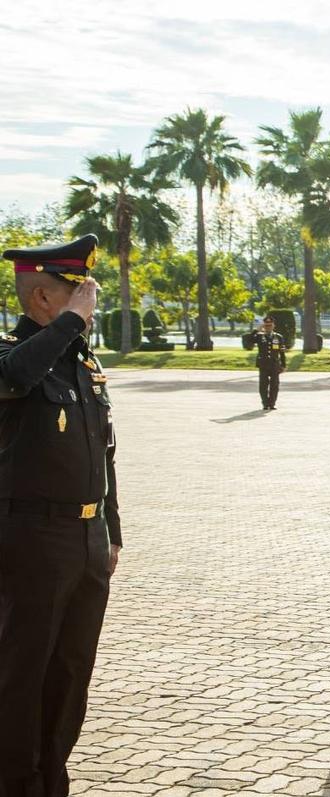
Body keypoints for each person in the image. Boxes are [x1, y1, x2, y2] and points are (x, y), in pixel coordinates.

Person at [0, 234, 122, 797]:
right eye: (81, 293)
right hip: (31, 537)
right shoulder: (12, 352)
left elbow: (105, 450)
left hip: (86, 539)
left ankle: (52, 778)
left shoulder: (81, 362)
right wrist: (69, 326)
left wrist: (112, 530)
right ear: (45, 298)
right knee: (21, 675)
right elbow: (15, 378)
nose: (91, 303)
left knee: (72, 673)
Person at [250, 317, 286, 410]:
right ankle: (265, 404)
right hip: (263, 364)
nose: (268, 327)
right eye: (266, 325)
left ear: (274, 325)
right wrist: (257, 330)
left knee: (275, 385)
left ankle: (272, 403)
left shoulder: (278, 336)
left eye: (270, 325)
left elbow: (282, 352)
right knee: (263, 385)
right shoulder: (259, 336)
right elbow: (249, 340)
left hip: (274, 364)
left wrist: (283, 365)